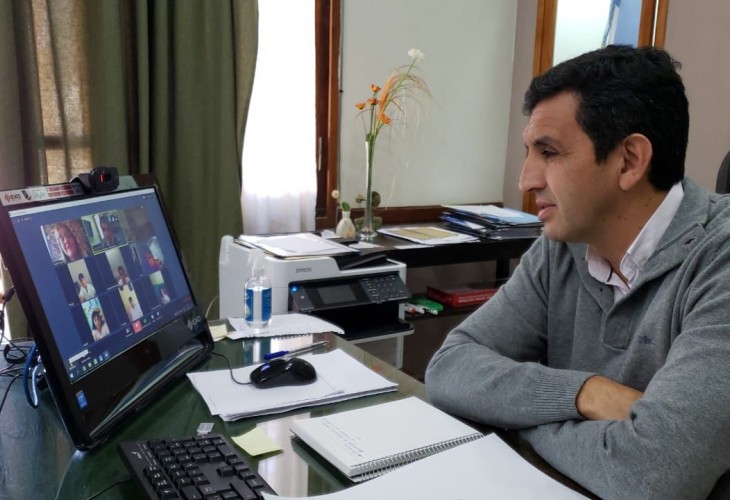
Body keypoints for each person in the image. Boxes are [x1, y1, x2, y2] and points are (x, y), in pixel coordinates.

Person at [425, 45, 730, 499]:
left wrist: (516, 418)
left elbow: (653, 476)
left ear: (629, 160)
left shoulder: (719, 260)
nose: (526, 180)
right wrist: (585, 392)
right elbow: (449, 368)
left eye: (548, 152)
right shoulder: (561, 247)